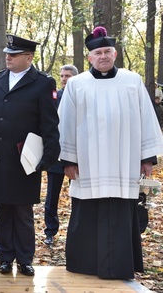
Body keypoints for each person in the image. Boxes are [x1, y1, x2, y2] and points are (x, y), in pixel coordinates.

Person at [58, 26, 163, 280]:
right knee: (87, 212)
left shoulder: (132, 80)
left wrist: (147, 158)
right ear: (90, 57)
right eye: (97, 52)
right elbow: (66, 122)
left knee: (119, 213)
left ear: (115, 54)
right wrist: (68, 159)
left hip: (123, 162)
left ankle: (118, 266)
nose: (103, 56)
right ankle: (85, 264)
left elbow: (147, 119)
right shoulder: (77, 85)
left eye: (107, 51)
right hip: (87, 163)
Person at [0, 34, 60, 277]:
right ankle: (5, 257)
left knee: (23, 212)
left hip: (25, 158)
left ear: (29, 57)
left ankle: (25, 259)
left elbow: (49, 123)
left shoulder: (43, 83)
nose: (8, 57)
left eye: (14, 55)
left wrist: (47, 158)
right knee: (2, 210)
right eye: (7, 54)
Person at [43, 64, 78, 246]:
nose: (64, 79)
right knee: (51, 197)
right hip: (56, 155)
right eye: (62, 76)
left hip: (77, 156)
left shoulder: (82, 95)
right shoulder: (55, 97)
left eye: (68, 76)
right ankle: (50, 231)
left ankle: (76, 231)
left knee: (78, 195)